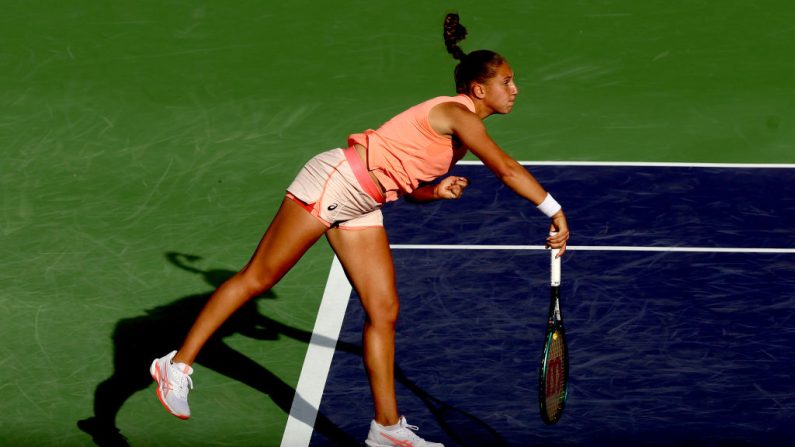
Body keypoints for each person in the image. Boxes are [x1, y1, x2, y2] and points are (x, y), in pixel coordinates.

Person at [150, 12, 569, 447]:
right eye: (507, 81)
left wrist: (435, 190)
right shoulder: (457, 114)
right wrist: (553, 210)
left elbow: (408, 189)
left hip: (364, 203)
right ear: (480, 89)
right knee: (259, 278)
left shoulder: (458, 138)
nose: (515, 89)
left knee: (384, 310)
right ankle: (176, 365)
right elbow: (504, 168)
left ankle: (386, 429)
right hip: (336, 181)